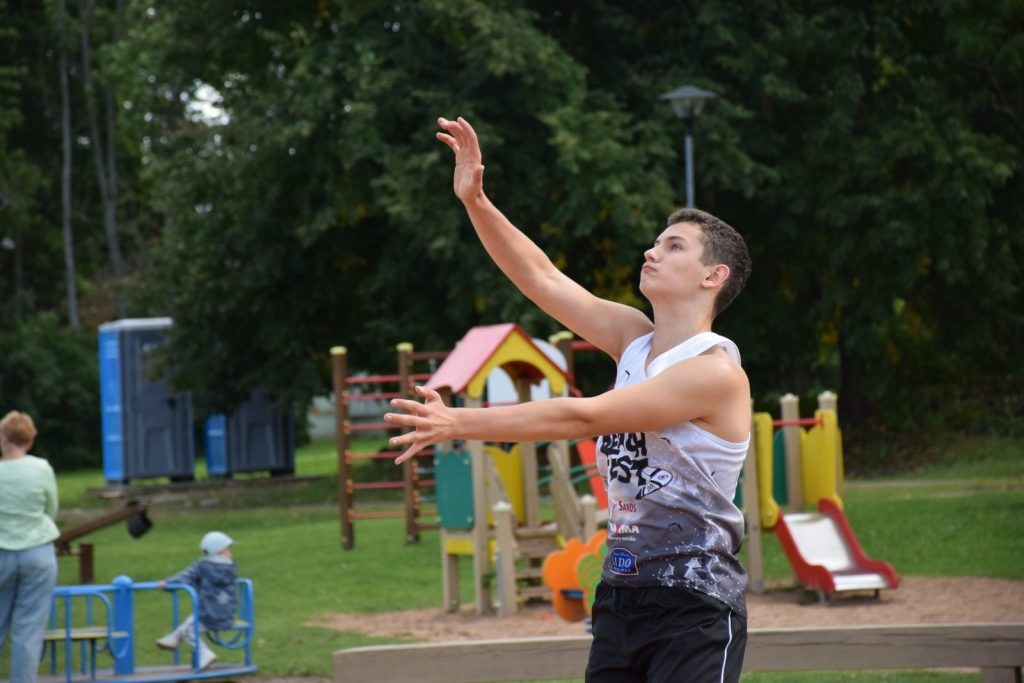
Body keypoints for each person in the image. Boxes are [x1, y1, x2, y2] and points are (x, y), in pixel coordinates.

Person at [384, 116, 753, 682]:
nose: (651, 251)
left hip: (695, 605)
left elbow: (583, 415)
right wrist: (476, 201)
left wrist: (457, 421)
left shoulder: (715, 372)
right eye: (655, 242)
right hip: (620, 596)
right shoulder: (633, 338)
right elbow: (542, 278)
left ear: (713, 276)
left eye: (673, 245)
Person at [0, 411, 60, 683]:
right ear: (29, 440)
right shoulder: (41, 468)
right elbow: (51, 508)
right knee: (28, 631)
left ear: (4, 437)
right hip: (38, 552)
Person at [154, 530, 237, 671]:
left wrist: (167, 583)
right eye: (229, 548)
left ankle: (205, 653)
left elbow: (183, 577)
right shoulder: (230, 568)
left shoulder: (201, 567)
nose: (230, 552)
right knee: (193, 617)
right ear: (221, 551)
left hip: (208, 615)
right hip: (227, 614)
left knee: (189, 631)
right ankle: (173, 638)